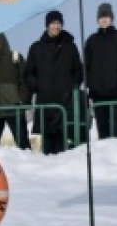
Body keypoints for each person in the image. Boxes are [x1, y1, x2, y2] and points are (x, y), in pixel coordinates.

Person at [25, 10, 84, 155]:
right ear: (47, 26)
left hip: (65, 101)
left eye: (58, 23)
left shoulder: (70, 47)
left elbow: (78, 70)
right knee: (47, 144)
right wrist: (37, 86)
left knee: (63, 142)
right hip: (45, 100)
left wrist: (73, 87)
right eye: (53, 23)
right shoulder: (36, 48)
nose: (56, 26)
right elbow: (28, 73)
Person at [83, 3, 117, 139]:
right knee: (102, 130)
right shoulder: (91, 41)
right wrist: (90, 83)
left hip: (116, 93)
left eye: (106, 16)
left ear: (112, 18)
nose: (104, 19)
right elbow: (85, 67)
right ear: (97, 19)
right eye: (101, 17)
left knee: (114, 130)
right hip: (97, 94)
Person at [0, 33, 30, 149]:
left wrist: (21, 100)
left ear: (1, 41)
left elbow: (25, 80)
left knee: (23, 146)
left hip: (14, 108)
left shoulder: (16, 57)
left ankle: (28, 166)